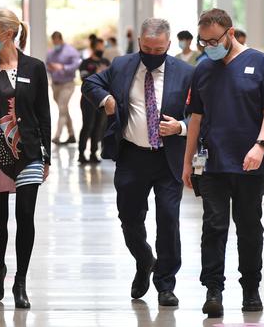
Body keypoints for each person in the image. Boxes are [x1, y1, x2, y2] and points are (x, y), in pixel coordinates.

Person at [182, 8, 264, 318]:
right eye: (203, 42)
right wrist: (188, 163)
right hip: (212, 164)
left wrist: (260, 145)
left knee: (249, 227)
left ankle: (251, 287)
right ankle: (213, 289)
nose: (208, 46)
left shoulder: (259, 63)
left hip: (250, 163)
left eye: (214, 40)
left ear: (229, 33)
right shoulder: (202, 69)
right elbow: (196, 119)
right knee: (213, 226)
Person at [82, 18, 194, 307]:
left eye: (158, 49)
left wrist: (181, 127)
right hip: (132, 157)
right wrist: (105, 98)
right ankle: (145, 260)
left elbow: (201, 113)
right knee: (130, 219)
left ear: (168, 45)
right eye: (147, 47)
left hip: (168, 158)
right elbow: (91, 82)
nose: (152, 53)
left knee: (169, 220)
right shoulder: (122, 65)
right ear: (140, 43)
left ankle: (166, 284)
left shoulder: (186, 73)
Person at [0, 9, 51, 309]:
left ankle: (21, 282)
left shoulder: (35, 67)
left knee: (25, 217)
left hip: (28, 152)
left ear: (9, 33)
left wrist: (47, 156)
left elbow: (43, 113)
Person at [77, 37, 110, 164]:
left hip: (103, 99)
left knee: (99, 126)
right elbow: (83, 78)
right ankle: (81, 153)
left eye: (103, 46)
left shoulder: (106, 62)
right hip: (88, 100)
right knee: (88, 125)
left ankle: (93, 153)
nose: (101, 49)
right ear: (93, 47)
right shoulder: (86, 63)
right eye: (99, 46)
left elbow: (111, 78)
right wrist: (97, 73)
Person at [46, 31, 80, 144]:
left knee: (62, 108)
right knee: (64, 109)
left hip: (67, 84)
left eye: (57, 41)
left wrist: (63, 67)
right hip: (55, 85)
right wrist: (51, 68)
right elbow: (47, 65)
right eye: (53, 41)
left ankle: (57, 136)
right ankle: (71, 135)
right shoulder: (51, 52)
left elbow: (76, 64)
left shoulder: (71, 51)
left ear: (61, 39)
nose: (55, 43)